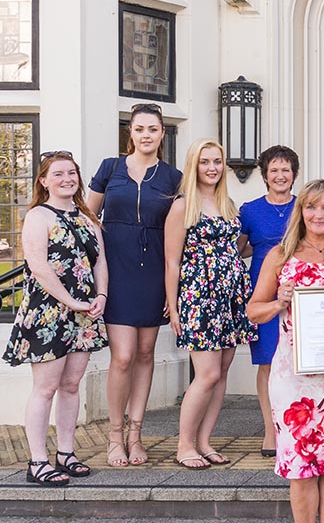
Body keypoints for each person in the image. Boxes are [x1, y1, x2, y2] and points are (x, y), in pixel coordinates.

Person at [247, 179, 324, 523]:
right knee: (300, 465)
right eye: (312, 206)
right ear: (300, 211)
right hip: (293, 379)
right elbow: (253, 310)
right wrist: (277, 303)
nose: (319, 214)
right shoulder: (280, 257)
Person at [4, 151, 108, 486]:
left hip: (84, 313)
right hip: (48, 313)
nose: (67, 179)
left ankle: (66, 453)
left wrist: (100, 297)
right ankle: (37, 461)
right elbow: (39, 266)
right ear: (44, 180)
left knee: (71, 384)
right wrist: (72, 302)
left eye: (72, 173)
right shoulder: (38, 216)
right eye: (58, 174)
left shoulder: (89, 217)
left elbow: (99, 262)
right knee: (46, 387)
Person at [87, 103, 182, 467]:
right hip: (116, 270)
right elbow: (88, 218)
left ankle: (136, 435)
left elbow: (181, 230)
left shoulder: (173, 177)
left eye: (153, 129)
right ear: (131, 132)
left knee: (145, 354)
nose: (146, 135)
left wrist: (171, 289)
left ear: (161, 134)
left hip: (154, 271)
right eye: (140, 129)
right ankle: (114, 435)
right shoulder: (110, 169)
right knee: (122, 356)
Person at [164, 138, 257, 469]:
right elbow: (172, 261)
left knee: (221, 374)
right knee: (205, 373)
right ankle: (184, 445)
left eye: (217, 161)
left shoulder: (228, 203)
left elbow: (239, 248)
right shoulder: (182, 206)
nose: (213, 167)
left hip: (231, 298)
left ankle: (204, 442)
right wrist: (174, 308)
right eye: (205, 161)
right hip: (199, 297)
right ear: (194, 165)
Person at [237, 145, 300, 458]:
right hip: (263, 291)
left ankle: (297, 424)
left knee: (298, 361)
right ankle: (270, 430)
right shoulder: (249, 210)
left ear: (294, 175)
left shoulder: (305, 207)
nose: (280, 175)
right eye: (274, 170)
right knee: (268, 362)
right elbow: (241, 249)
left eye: (285, 170)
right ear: (264, 175)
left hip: (300, 290)